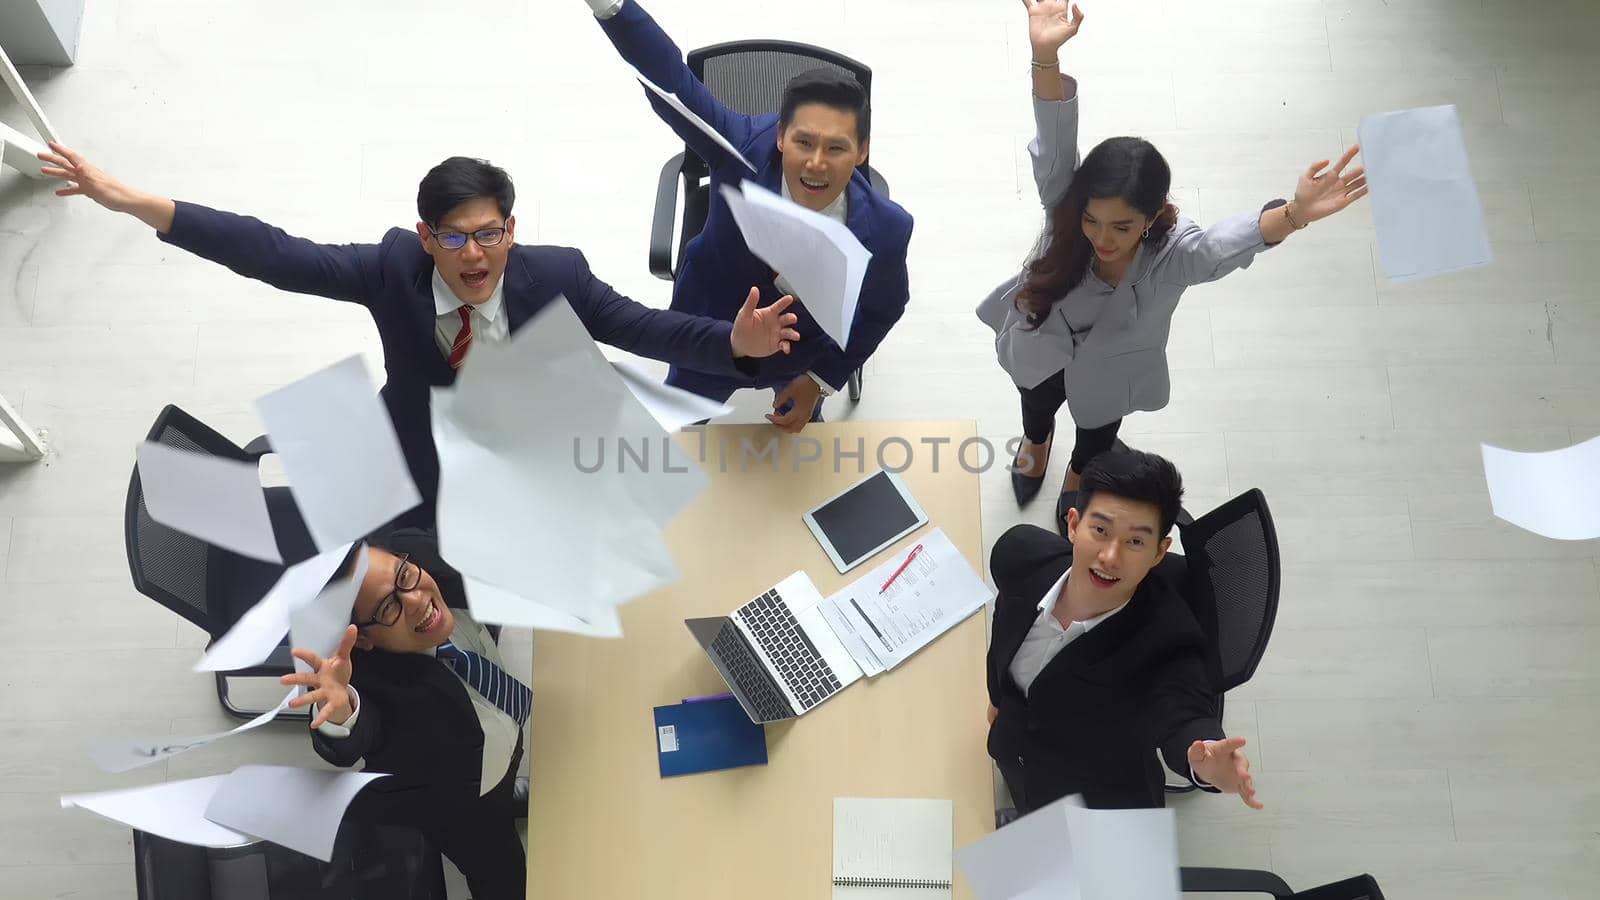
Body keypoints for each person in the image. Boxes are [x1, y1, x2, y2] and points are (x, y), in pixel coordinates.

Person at [36, 144, 802, 524]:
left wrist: (739, 349)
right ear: (425, 237)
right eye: (455, 238)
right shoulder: (391, 269)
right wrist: (135, 202)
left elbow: (651, 329)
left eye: (491, 233)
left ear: (512, 227)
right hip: (419, 446)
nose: (476, 255)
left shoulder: (558, 275)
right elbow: (272, 253)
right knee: (428, 548)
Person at [978, 1, 1368, 520]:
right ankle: (1037, 438)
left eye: (1122, 226)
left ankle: (1078, 469)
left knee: (1097, 435)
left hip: (1112, 374)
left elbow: (1219, 249)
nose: (1102, 238)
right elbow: (1053, 141)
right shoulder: (1066, 205)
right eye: (1093, 220)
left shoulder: (1171, 255)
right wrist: (1043, 55)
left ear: (1151, 216)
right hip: (1042, 340)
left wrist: (1293, 213)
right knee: (1035, 399)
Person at [584, 0, 915, 433]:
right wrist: (612, 8)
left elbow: (883, 309)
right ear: (780, 136)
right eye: (803, 142)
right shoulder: (740, 149)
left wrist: (820, 379)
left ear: (863, 151)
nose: (816, 164)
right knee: (677, 437)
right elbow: (673, 87)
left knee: (796, 461)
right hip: (709, 333)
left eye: (836, 148)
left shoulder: (889, 230)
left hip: (801, 356)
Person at [984, 446, 1262, 813]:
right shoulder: (1019, 556)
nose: (1110, 557)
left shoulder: (1169, 641)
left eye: (1135, 542)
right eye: (1100, 530)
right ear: (1072, 525)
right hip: (1014, 734)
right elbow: (1004, 636)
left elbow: (1183, 710)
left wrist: (1202, 761)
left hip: (1092, 785)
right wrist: (997, 699)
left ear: (1159, 552)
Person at [282, 529, 529, 900]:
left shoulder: (418, 558)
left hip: (498, 739)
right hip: (458, 798)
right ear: (362, 639)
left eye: (403, 576)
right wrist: (341, 708)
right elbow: (355, 736)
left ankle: (508, 790)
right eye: (387, 609)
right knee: (501, 871)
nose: (415, 601)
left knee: (508, 760)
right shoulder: (374, 684)